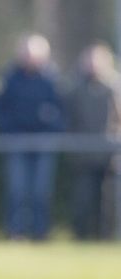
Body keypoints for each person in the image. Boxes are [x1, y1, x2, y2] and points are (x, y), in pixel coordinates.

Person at [0, 34, 64, 241]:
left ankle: (40, 233)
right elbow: (1, 109)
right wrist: (10, 130)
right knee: (17, 190)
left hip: (43, 142)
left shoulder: (51, 79)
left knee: (41, 191)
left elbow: (60, 111)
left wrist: (51, 127)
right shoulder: (10, 78)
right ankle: (15, 232)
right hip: (17, 141)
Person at [64, 43, 121, 240]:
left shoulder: (114, 88)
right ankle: (81, 237)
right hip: (84, 156)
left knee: (107, 203)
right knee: (83, 200)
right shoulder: (76, 89)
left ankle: (105, 238)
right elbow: (70, 119)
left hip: (109, 156)